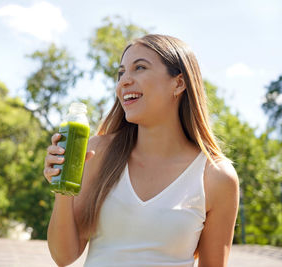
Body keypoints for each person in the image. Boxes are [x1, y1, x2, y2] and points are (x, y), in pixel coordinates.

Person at [43, 34, 239, 267]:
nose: (124, 81)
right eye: (121, 72)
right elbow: (63, 256)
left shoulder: (216, 176)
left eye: (140, 68)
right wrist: (63, 187)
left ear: (178, 83)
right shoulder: (97, 152)